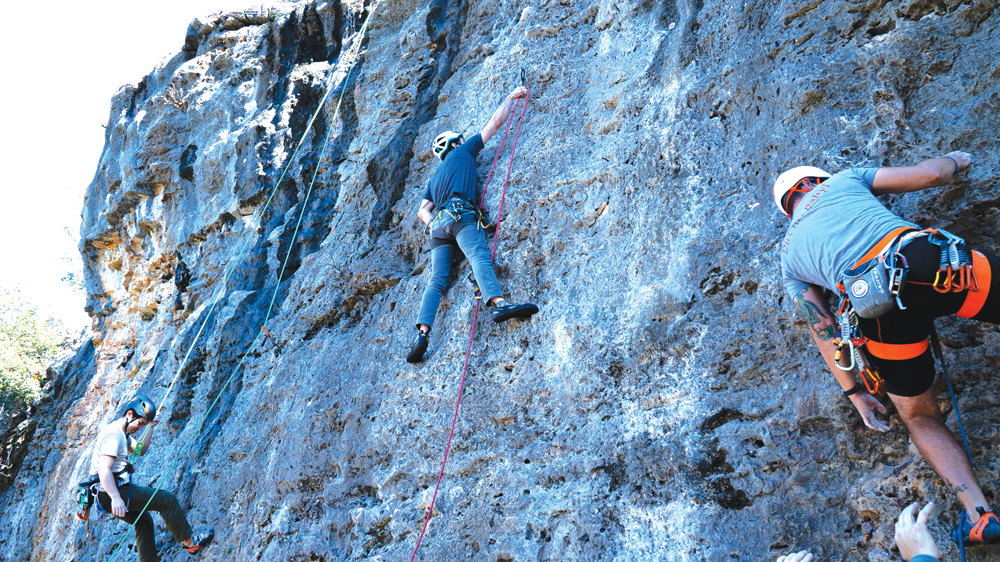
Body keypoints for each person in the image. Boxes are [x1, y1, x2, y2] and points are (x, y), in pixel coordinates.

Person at [774, 151, 1000, 545]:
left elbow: (823, 327)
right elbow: (931, 175)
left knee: (919, 418)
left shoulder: (789, 258)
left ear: (788, 208)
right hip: (929, 265)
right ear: (812, 182)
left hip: (877, 311)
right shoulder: (843, 180)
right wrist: (957, 159)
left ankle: (979, 516)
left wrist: (854, 392)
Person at [406, 86, 539, 363]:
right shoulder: (463, 152)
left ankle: (422, 334)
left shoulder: (434, 179)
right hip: (461, 214)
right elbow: (494, 124)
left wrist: (433, 225)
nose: (465, 141)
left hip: (440, 224)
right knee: (478, 255)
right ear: (454, 144)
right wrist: (510, 97)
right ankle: (499, 304)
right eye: (461, 139)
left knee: (437, 280)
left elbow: (421, 211)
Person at [88, 395, 213, 560]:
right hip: (110, 491)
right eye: (140, 423)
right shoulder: (114, 436)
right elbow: (104, 469)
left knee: (143, 521)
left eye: (143, 425)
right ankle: (191, 544)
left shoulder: (120, 433)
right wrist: (116, 498)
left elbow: (139, 450)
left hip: (105, 493)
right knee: (167, 500)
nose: (139, 428)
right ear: (130, 414)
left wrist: (150, 428)